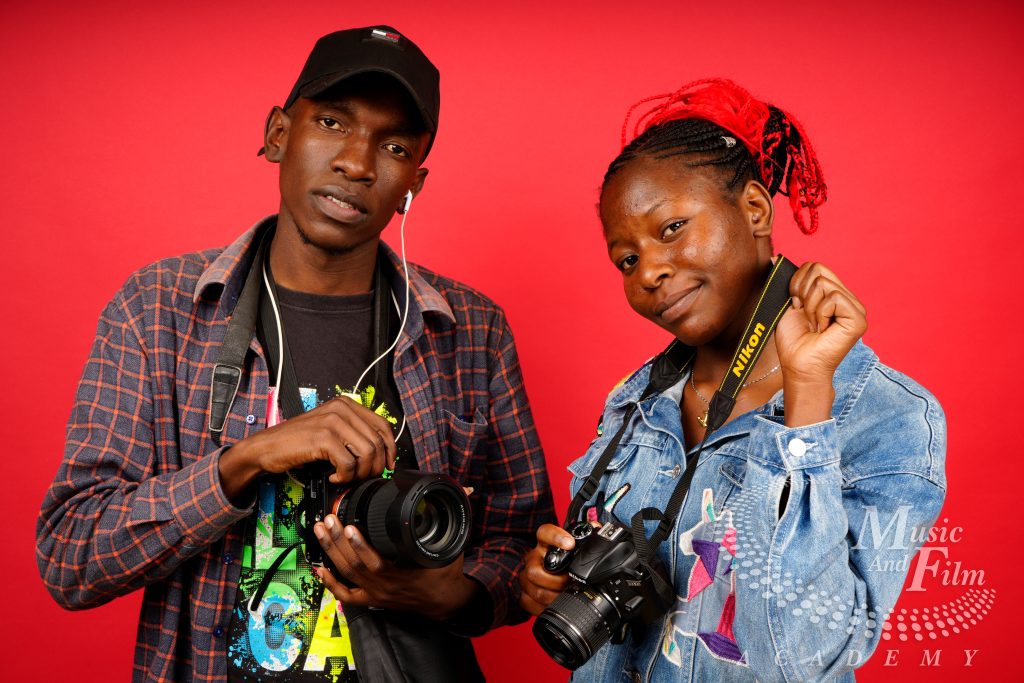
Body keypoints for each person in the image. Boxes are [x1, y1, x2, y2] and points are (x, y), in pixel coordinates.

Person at [37, 26, 554, 683]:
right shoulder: (159, 309)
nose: (357, 162)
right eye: (333, 122)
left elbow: (521, 544)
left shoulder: (469, 329)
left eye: (393, 145)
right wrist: (246, 460)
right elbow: (72, 553)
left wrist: (448, 593)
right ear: (279, 133)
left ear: (413, 183)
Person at [519, 79, 946, 682]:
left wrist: (808, 401)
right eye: (627, 259)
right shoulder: (635, 402)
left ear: (754, 208)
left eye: (670, 229)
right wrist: (555, 581)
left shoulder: (889, 418)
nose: (649, 272)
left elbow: (807, 655)